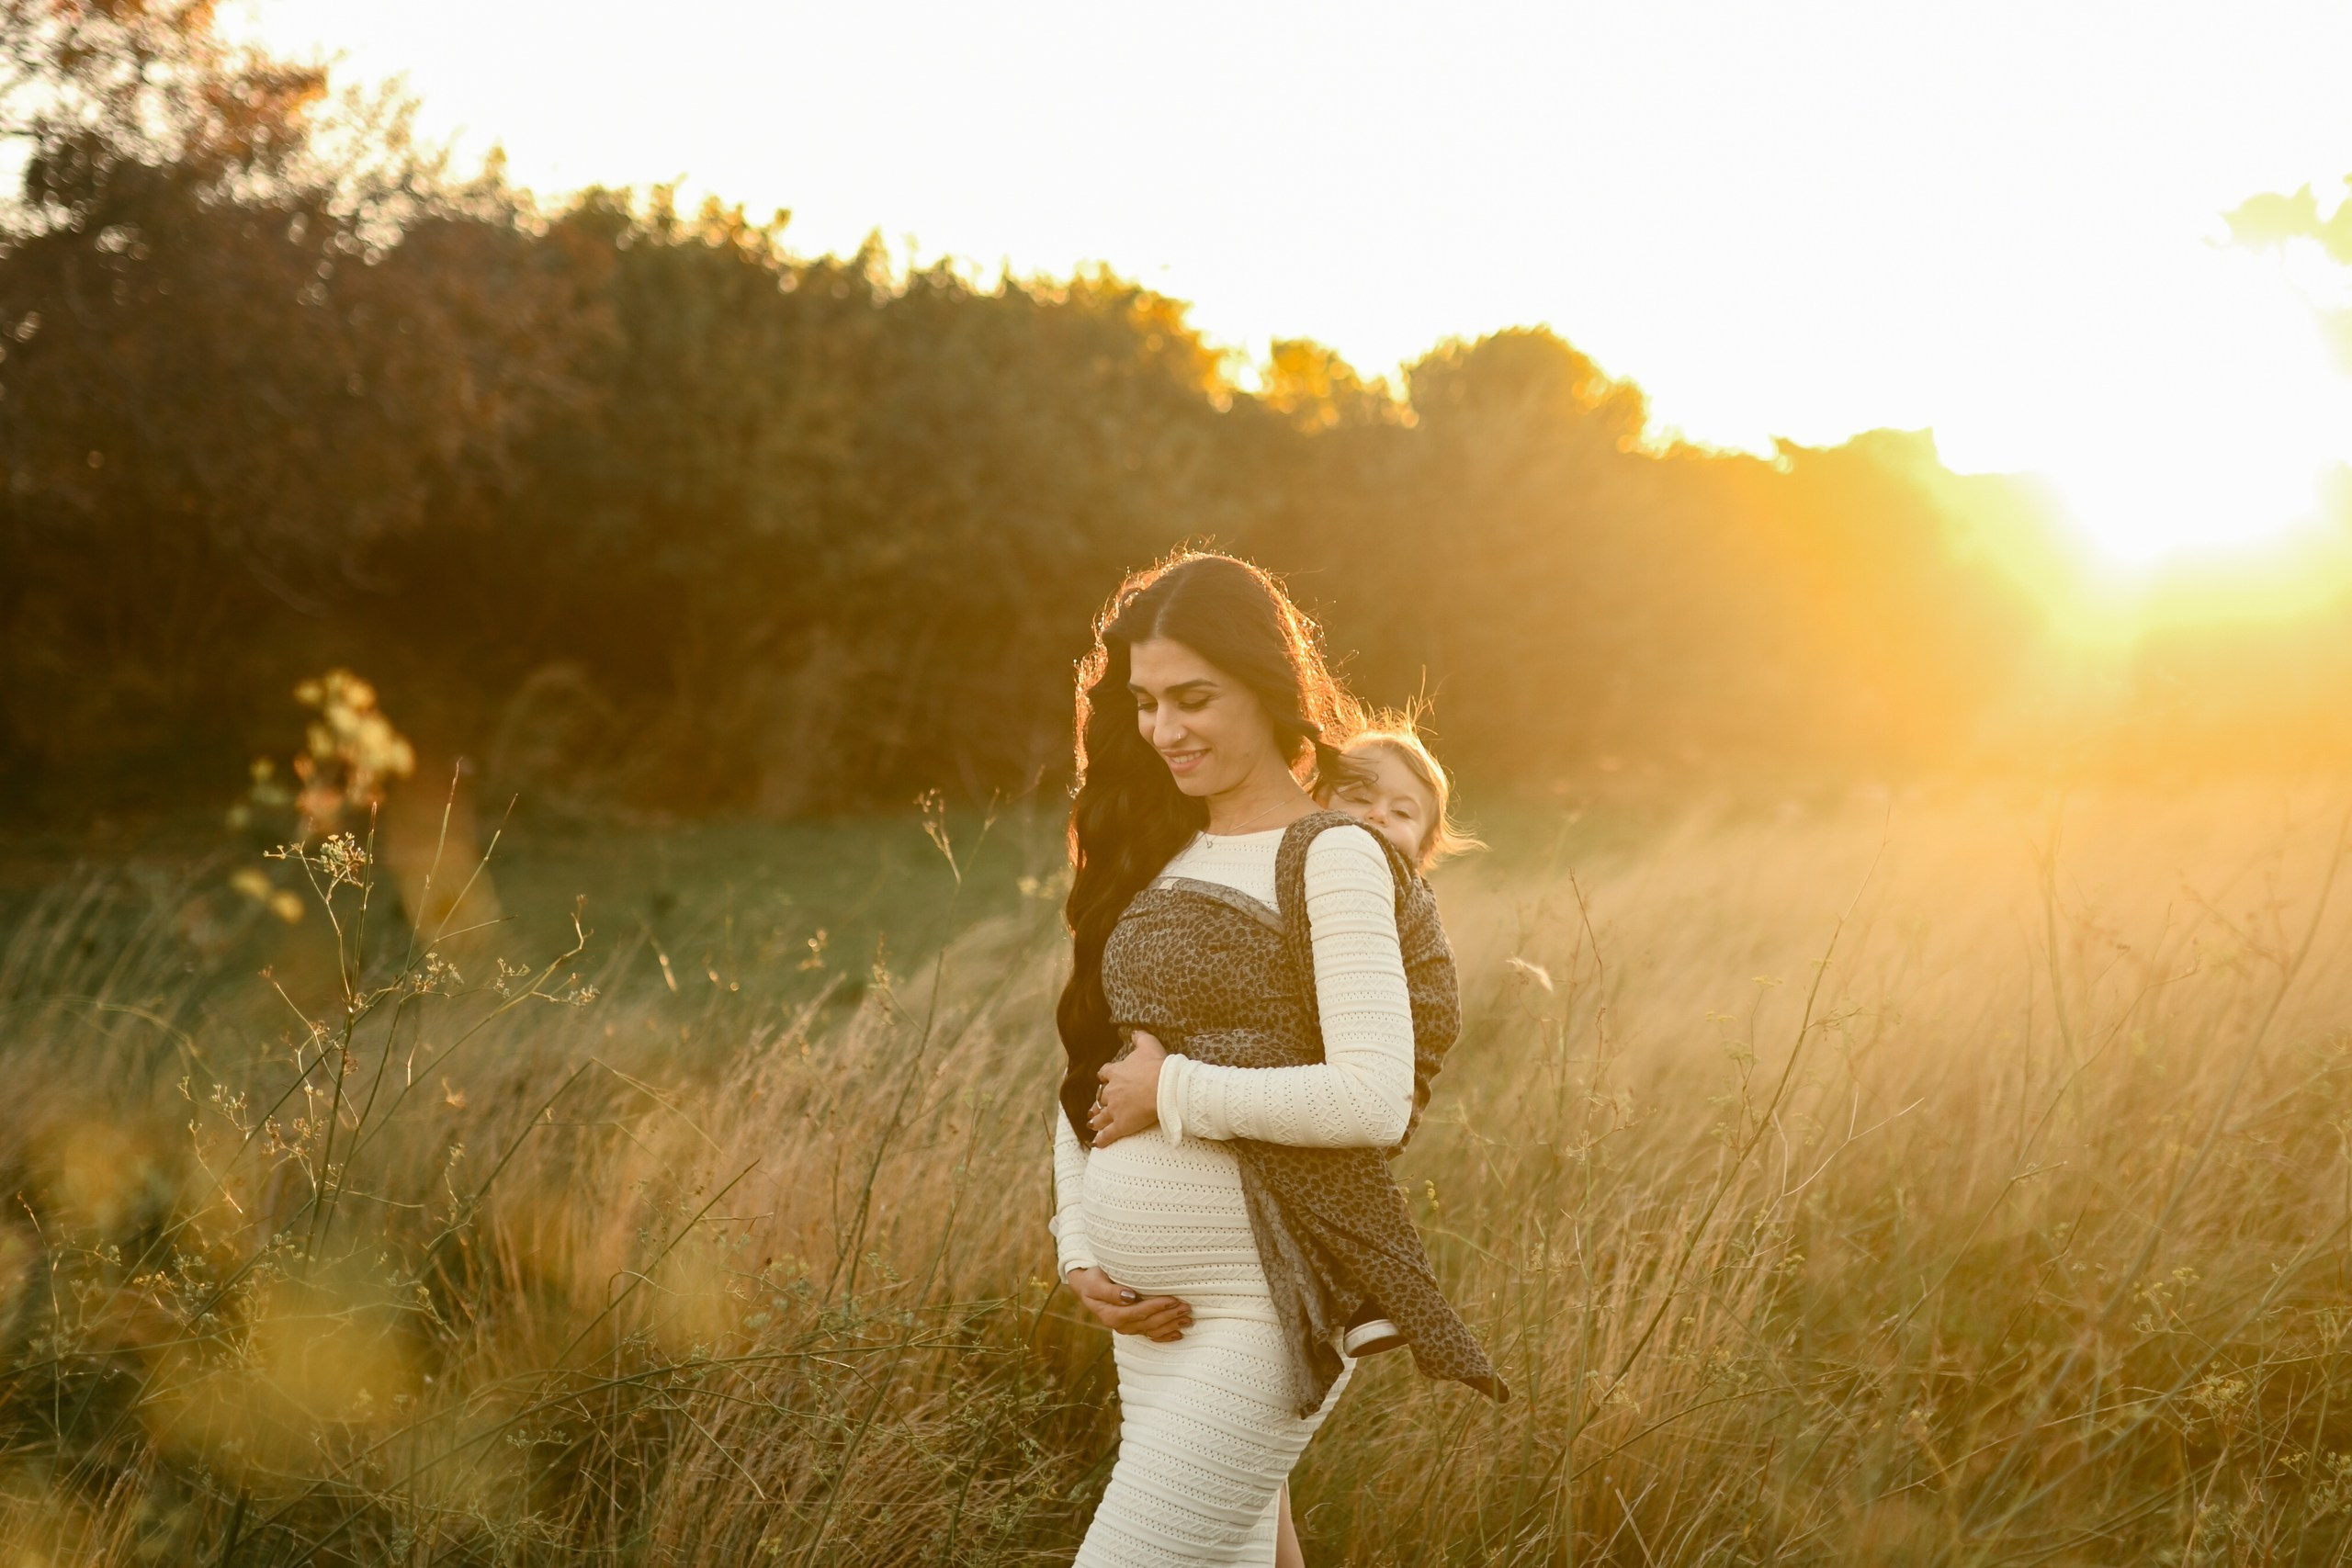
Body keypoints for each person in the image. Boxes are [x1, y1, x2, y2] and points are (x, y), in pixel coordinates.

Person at [1050, 554, 1498, 1568]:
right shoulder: (1155, 853)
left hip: (1268, 1302)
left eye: (1193, 698)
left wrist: (1174, 1089)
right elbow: (1089, 1071)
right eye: (1146, 703)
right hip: (1149, 1325)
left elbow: (1371, 1098)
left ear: (1265, 685)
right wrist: (1077, 1245)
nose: (1164, 729)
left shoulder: (1332, 855)